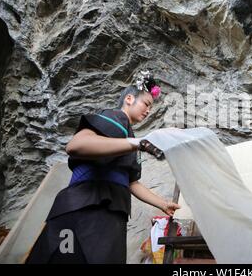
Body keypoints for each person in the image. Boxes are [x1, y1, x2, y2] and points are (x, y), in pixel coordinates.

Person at [26, 74, 180, 264]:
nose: (148, 110)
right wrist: (136, 143)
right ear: (129, 99)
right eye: (146, 104)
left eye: (151, 107)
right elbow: (76, 145)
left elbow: (131, 182)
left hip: (109, 210)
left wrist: (162, 204)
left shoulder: (128, 137)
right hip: (87, 206)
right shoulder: (115, 118)